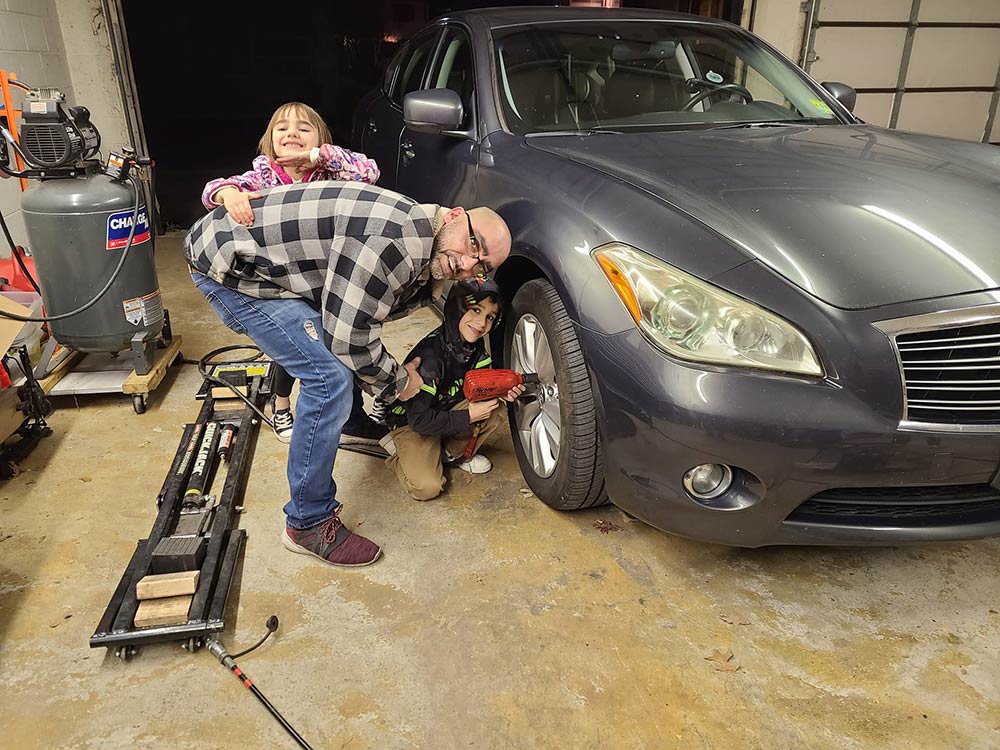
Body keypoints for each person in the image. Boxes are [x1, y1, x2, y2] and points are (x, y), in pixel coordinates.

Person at [185, 181, 512, 568]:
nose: (468, 263)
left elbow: (355, 317)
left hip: (276, 266)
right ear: (456, 216)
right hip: (233, 271)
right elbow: (348, 337)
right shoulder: (399, 242)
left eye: (483, 266)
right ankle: (307, 521)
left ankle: (352, 423)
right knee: (329, 379)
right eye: (473, 246)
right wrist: (399, 383)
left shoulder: (429, 248)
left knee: (342, 357)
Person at [200, 101, 384, 445]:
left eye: (303, 127)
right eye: (282, 128)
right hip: (281, 278)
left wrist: (321, 157)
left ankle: (353, 417)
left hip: (328, 274)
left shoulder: (330, 173)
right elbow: (213, 189)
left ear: (320, 139)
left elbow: (369, 172)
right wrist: (229, 194)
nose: (292, 133)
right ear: (270, 140)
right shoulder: (263, 176)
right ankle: (281, 404)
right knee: (300, 345)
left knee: (340, 340)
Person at [384, 278, 523, 501]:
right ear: (457, 307)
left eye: (490, 317)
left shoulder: (476, 350)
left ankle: (450, 455)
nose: (481, 323)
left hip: (445, 410)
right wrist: (468, 415)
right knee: (427, 487)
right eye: (475, 310)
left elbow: (480, 386)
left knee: (494, 406)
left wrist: (503, 390)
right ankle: (400, 455)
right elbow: (419, 421)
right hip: (411, 424)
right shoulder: (429, 358)